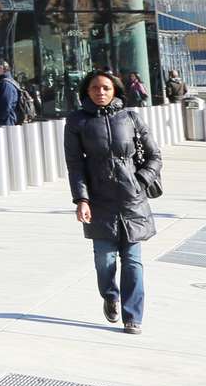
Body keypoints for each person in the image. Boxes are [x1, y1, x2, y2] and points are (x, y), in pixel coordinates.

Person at [65, 68, 161, 334]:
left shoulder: (131, 117)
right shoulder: (77, 121)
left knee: (132, 261)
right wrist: (81, 199)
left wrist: (140, 181)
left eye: (106, 88)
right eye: (95, 88)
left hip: (133, 201)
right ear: (87, 91)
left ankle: (133, 316)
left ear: (115, 90)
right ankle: (110, 295)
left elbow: (155, 156)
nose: (101, 92)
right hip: (99, 201)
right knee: (104, 261)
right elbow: (75, 165)